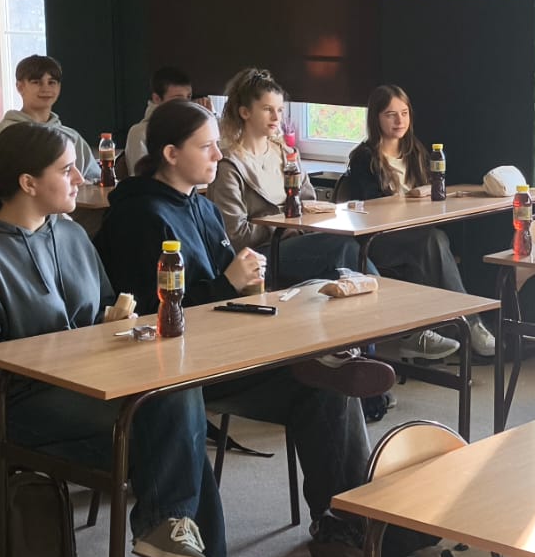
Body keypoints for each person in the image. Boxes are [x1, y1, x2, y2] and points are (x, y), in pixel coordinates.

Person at [0, 121, 263, 557]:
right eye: (66, 170)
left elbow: (102, 311)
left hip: (87, 388)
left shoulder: (69, 235)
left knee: (177, 419)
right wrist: (72, 352)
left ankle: (182, 552)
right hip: (10, 407)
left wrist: (116, 325)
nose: (80, 179)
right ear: (28, 182)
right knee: (172, 427)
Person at [97, 99, 384, 530]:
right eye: (206, 146)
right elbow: (151, 320)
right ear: (171, 154)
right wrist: (228, 284)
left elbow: (228, 291)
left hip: (226, 347)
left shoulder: (202, 207)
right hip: (176, 371)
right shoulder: (140, 217)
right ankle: (348, 524)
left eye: (217, 144)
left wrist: (251, 286)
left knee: (328, 380)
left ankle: (345, 524)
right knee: (320, 375)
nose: (218, 154)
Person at [208, 68, 458, 363]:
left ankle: (375, 348)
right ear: (244, 112)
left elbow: (310, 204)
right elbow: (235, 236)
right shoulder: (229, 165)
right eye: (267, 110)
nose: (276, 117)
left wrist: (298, 223)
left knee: (348, 259)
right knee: (345, 250)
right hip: (261, 255)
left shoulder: (285, 153)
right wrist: (282, 227)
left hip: (298, 241)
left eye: (280, 110)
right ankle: (407, 331)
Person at [338, 83, 497, 359]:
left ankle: (439, 331)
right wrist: (408, 201)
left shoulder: (416, 151)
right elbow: (372, 208)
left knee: (436, 241)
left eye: (404, 113)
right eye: (390, 114)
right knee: (433, 241)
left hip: (414, 234)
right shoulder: (365, 158)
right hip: (379, 241)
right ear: (376, 118)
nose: (399, 121)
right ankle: (469, 325)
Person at [0, 54, 98, 181]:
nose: (46, 88)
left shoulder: (72, 137)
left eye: (52, 82)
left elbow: (95, 179)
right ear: (20, 87)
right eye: (36, 82)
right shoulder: (3, 133)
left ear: (59, 87)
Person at [122, 65, 193, 175]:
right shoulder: (140, 133)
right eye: (178, 98)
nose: (186, 104)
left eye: (188, 97)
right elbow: (140, 177)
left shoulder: (191, 127)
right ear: (157, 99)